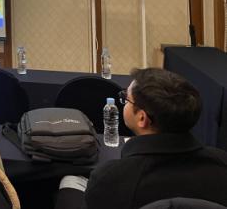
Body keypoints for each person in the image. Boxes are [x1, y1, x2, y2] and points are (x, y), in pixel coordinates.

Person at [55, 68, 227, 209]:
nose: (124, 102)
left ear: (142, 118)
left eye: (126, 99)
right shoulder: (222, 162)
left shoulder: (110, 178)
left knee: (70, 181)